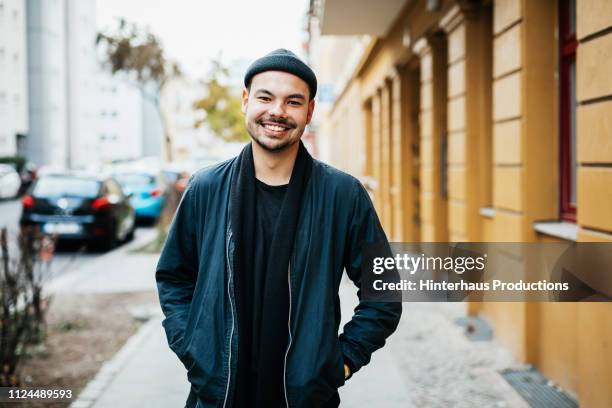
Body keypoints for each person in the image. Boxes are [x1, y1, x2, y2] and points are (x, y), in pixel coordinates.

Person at [156, 49, 402, 408]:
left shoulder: (342, 194)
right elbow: (174, 278)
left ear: (310, 112)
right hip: (217, 394)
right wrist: (192, 347)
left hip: (304, 398)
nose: (277, 112)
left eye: (293, 101)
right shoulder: (205, 188)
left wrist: (341, 362)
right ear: (245, 101)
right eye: (266, 97)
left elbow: (384, 291)